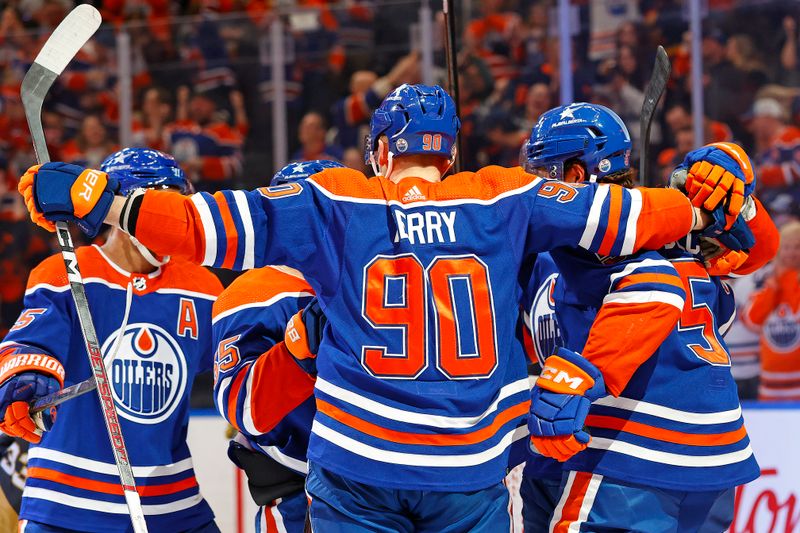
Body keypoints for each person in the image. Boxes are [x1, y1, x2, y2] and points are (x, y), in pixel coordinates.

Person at [18, 84, 745, 532]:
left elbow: (205, 225)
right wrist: (701, 196)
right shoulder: (505, 195)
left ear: (378, 152)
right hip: (469, 472)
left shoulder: (333, 197)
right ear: (450, 154)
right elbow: (630, 214)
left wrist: (100, 198)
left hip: (359, 465)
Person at [519, 104, 778, 532]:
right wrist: (740, 200)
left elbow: (652, 289)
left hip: (630, 447)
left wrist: (572, 382)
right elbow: (756, 250)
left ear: (577, 176)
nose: (535, 185)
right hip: (716, 454)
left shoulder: (587, 238)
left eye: (545, 173)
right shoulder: (682, 225)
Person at [2, 148, 223, 532]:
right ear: (117, 209)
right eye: (160, 207)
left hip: (171, 503)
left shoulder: (201, 286)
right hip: (66, 501)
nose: (170, 223)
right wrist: (25, 382)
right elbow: (31, 342)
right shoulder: (68, 272)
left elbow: (235, 360)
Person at [212, 160, 342, 532]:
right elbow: (244, 407)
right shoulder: (256, 292)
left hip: (384, 485)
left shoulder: (373, 274)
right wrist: (295, 354)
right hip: (300, 490)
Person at [743, 220, 800, 401]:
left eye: (797, 247)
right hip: (769, 384)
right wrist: (772, 290)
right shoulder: (768, 282)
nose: (791, 252)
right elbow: (752, 321)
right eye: (787, 247)